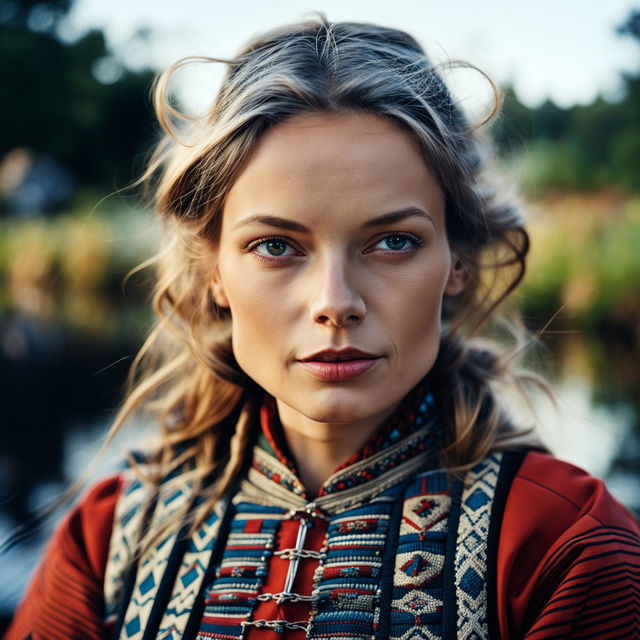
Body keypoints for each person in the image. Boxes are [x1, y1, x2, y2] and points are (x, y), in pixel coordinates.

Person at [5, 16, 640, 640]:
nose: (335, 303)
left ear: (459, 261)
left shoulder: (564, 547)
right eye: (276, 245)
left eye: (393, 241)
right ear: (214, 271)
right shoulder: (113, 535)